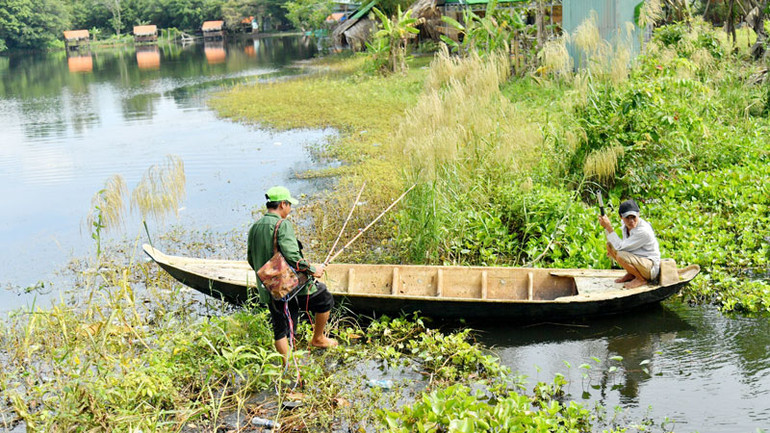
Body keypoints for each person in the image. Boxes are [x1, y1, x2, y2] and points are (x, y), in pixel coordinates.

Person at [247, 186, 337, 362]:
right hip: (288, 285)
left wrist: (268, 277)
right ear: (282, 204)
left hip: (269, 286)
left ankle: (287, 368)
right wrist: (313, 270)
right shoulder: (282, 224)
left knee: (281, 328)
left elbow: (251, 258)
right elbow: (292, 256)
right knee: (325, 298)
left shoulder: (255, 227)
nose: (290, 209)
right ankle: (318, 338)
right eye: (289, 205)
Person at [598, 199, 661, 289]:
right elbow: (618, 245)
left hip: (650, 267)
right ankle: (632, 274)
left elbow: (620, 247)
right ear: (621, 217)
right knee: (609, 246)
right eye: (627, 218)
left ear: (638, 214)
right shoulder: (625, 225)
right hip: (638, 260)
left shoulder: (643, 231)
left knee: (620, 255)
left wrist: (608, 227)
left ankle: (640, 279)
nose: (631, 221)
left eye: (633, 217)